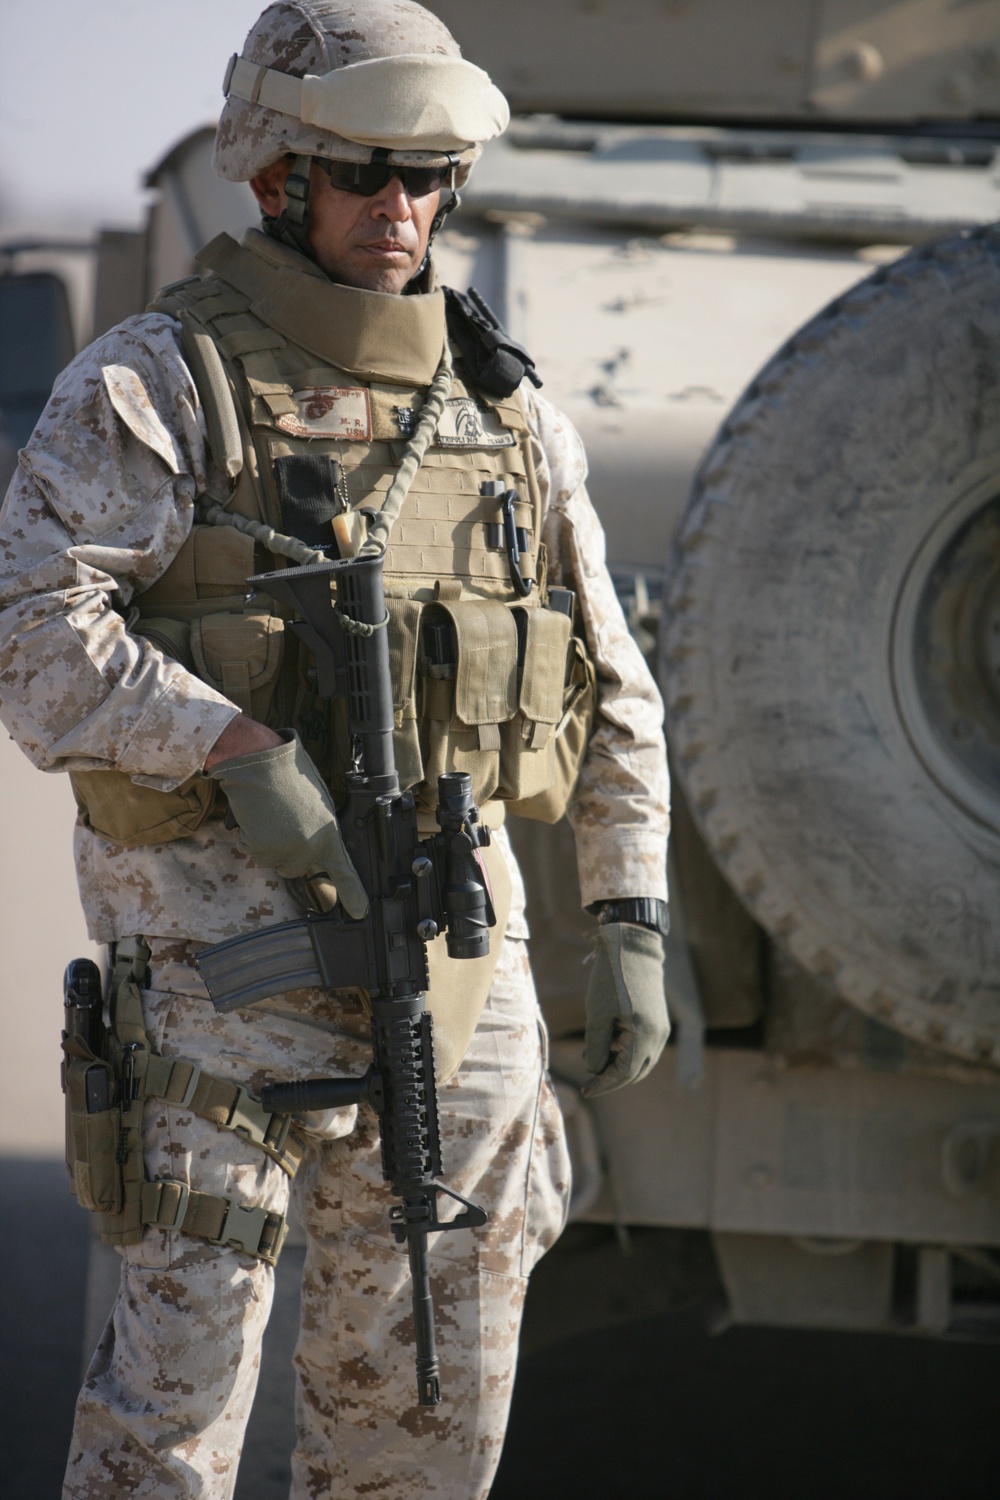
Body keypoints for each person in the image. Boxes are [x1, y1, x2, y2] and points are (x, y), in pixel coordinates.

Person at [0, 2, 671, 1495]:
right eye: (369, 172)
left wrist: (629, 912)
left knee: (427, 1404)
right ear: (276, 176)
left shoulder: (507, 414)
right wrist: (227, 739)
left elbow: (611, 683)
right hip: (214, 984)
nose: (404, 210)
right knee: (170, 1418)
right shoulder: (161, 382)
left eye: (431, 176)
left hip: (450, 964)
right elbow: (30, 633)